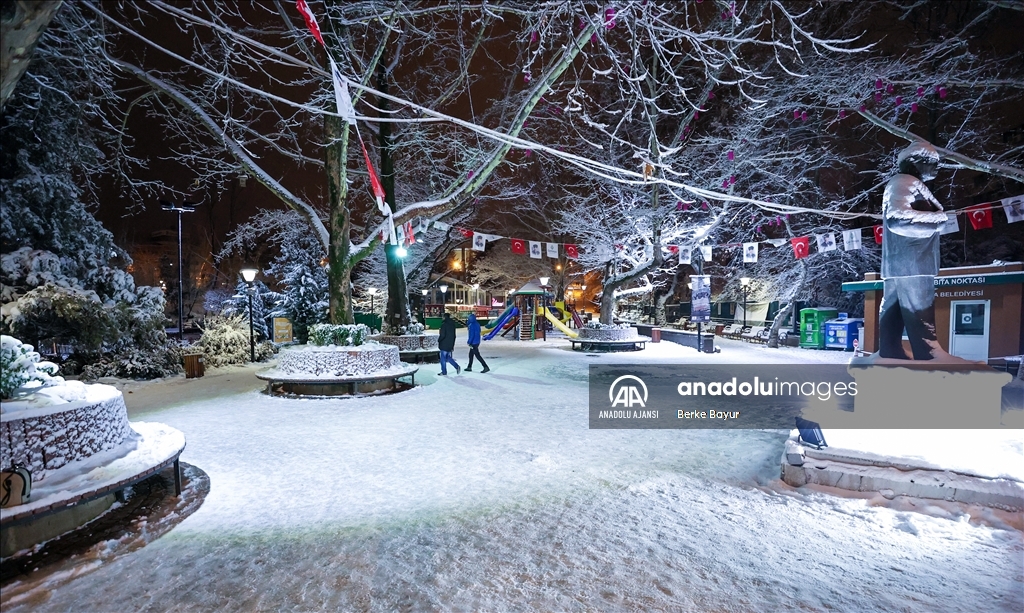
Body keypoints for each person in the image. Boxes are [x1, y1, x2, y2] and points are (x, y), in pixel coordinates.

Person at [877, 141, 950, 360]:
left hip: (900, 263)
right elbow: (898, 220)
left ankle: (890, 353)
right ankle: (928, 356)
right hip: (914, 263)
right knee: (921, 313)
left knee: (893, 313)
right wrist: (938, 220)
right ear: (917, 162)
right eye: (933, 163)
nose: (937, 168)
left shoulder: (903, 183)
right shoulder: (905, 182)